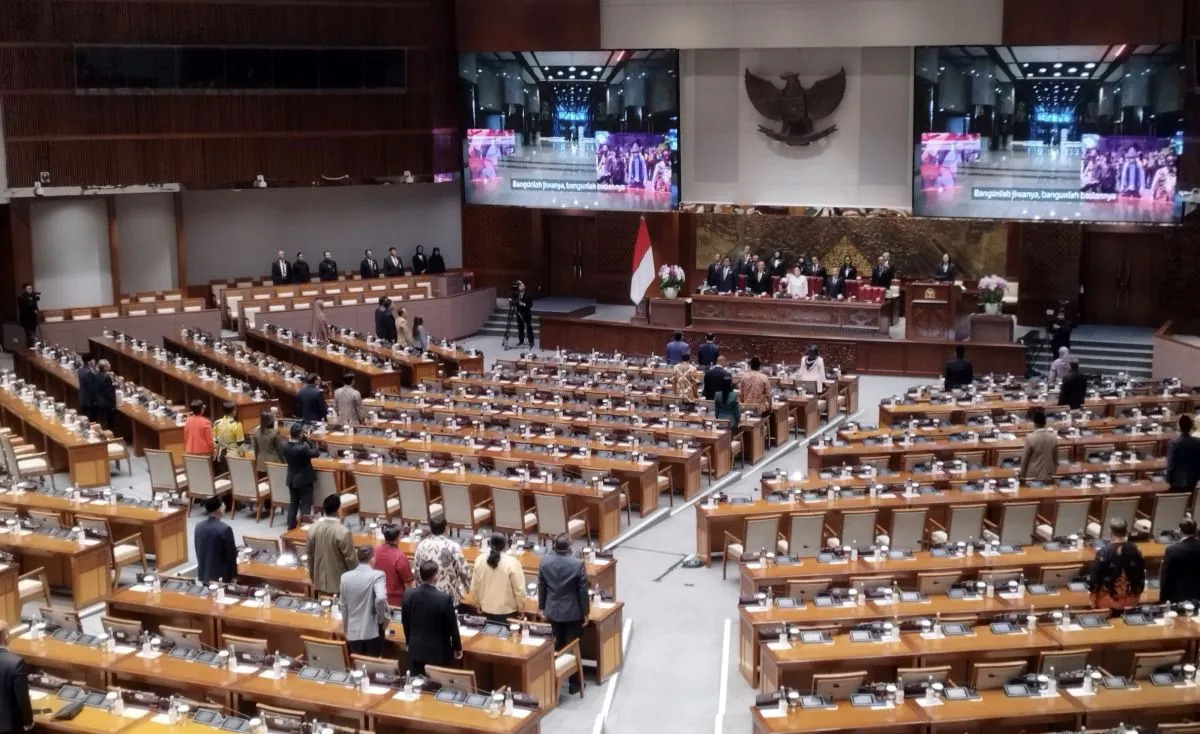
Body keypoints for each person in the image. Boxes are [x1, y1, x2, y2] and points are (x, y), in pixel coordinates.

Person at [538, 534, 589, 695]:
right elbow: (583, 592)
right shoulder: (577, 564)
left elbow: (542, 586)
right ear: (569, 548)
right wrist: (586, 612)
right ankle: (575, 685)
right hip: (572, 612)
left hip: (552, 610)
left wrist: (541, 607)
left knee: (555, 645)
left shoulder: (545, 562)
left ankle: (550, 680)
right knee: (572, 646)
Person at [401, 560, 463, 675]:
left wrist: (409, 642)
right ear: (435, 576)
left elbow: (405, 621)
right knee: (436, 688)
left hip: (416, 650)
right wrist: (457, 647)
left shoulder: (408, 595)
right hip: (438, 653)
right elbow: (452, 627)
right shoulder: (444, 599)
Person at [339, 545, 390, 656]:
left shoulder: (345, 577)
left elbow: (343, 606)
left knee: (358, 666)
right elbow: (381, 598)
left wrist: (346, 629)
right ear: (372, 559)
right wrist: (381, 618)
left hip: (353, 631)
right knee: (373, 667)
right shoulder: (378, 575)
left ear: (358, 558)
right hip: (373, 631)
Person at [1088, 517, 1145, 611]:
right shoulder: (1136, 550)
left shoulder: (1103, 552)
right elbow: (1141, 574)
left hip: (1108, 602)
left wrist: (1092, 601)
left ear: (1110, 531)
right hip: (1131, 601)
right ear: (1126, 530)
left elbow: (1094, 581)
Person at [414, 516, 470, 608]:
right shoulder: (453, 546)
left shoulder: (421, 545)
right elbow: (464, 570)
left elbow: (416, 571)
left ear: (430, 528)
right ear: (446, 528)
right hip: (448, 596)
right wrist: (467, 588)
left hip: (426, 596)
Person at [470, 533, 525, 625]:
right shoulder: (512, 563)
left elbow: (474, 585)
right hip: (506, 610)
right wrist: (521, 608)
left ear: (489, 544)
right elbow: (519, 589)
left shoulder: (479, 560)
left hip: (486, 608)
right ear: (506, 546)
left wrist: (477, 603)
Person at [306, 494, 356, 594]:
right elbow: (351, 560)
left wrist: (313, 577)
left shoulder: (312, 528)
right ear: (339, 509)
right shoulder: (343, 532)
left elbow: (310, 556)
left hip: (319, 582)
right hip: (339, 585)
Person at [284, 424, 322, 530]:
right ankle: (303, 529)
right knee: (305, 504)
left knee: (293, 503)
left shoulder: (285, 445)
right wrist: (309, 440)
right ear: (300, 435)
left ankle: (290, 527)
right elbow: (316, 452)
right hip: (304, 479)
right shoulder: (302, 447)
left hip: (291, 478)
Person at [0, 620, 33, 734]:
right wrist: (28, 722)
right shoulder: (15, 663)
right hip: (8, 727)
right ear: (6, 636)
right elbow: (22, 698)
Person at [194, 496, 237, 584]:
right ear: (219, 509)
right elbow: (230, 557)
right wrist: (233, 576)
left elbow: (198, 550)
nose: (224, 506)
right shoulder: (225, 529)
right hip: (221, 579)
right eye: (223, 505)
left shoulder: (198, 526)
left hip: (204, 575)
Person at [1159, 518, 1200, 603]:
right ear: (1195, 530)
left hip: (1177, 596)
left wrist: (1162, 597)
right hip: (1197, 594)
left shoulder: (1172, 550)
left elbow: (1166, 575)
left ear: (1180, 531)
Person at [375, 524, 414, 606]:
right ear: (398, 537)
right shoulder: (400, 557)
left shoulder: (374, 551)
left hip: (376, 597)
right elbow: (409, 585)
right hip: (395, 602)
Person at [1018, 407, 1057, 482]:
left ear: (1034, 423)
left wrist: (1022, 476)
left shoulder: (1030, 438)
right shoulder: (1053, 437)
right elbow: (1056, 459)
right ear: (1045, 423)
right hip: (1049, 475)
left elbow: (1024, 459)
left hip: (1033, 476)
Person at [1166, 414, 1200, 493]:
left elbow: (1171, 464)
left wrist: (1168, 479)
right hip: (1193, 479)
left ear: (1179, 427)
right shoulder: (1197, 442)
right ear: (1191, 427)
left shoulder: (1174, 443)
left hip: (1176, 481)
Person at [212, 401, 245, 471]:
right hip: (233, 457)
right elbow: (240, 444)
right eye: (235, 409)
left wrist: (215, 453)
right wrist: (242, 455)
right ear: (233, 411)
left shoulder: (217, 423)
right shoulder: (237, 425)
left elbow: (215, 441)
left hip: (220, 456)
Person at [92, 360, 116, 430]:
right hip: (106, 403)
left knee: (101, 420)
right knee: (107, 422)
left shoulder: (96, 375)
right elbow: (109, 392)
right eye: (108, 364)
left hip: (98, 401)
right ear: (105, 367)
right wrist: (114, 404)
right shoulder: (107, 377)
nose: (110, 365)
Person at [514, 281, 534, 347]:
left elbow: (531, 305)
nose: (521, 287)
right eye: (520, 286)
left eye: (522, 286)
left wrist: (524, 304)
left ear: (524, 287)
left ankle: (531, 341)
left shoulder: (528, 295)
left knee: (528, 327)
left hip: (526, 314)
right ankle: (521, 341)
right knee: (520, 328)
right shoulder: (517, 295)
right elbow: (515, 302)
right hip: (519, 314)